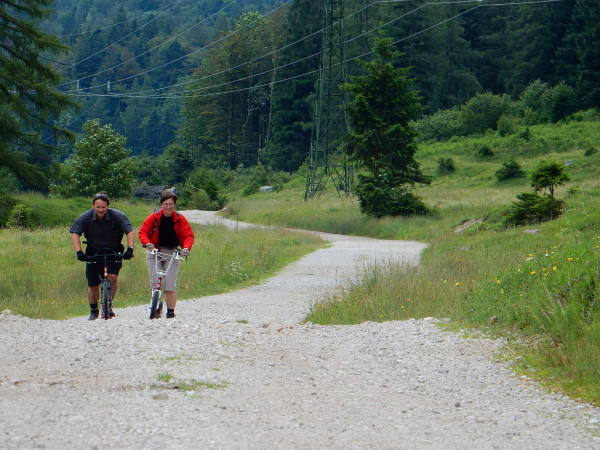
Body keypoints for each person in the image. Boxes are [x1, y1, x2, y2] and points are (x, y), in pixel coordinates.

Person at [70, 192, 135, 320]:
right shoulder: (86, 217)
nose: (100, 210)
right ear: (93, 206)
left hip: (113, 250)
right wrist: (79, 252)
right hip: (94, 251)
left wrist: (130, 248)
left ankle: (108, 304)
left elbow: (130, 232)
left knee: (113, 277)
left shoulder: (118, 216)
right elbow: (75, 233)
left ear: (107, 206)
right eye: (98, 207)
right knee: (93, 284)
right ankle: (93, 310)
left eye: (103, 207)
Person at [138, 190, 195, 319]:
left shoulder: (180, 218)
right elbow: (143, 232)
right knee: (155, 281)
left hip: (172, 252)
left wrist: (186, 248)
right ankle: (155, 307)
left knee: (169, 284)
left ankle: (170, 312)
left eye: (170, 204)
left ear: (174, 204)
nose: (168, 207)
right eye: (165, 204)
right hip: (155, 251)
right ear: (161, 205)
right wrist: (147, 243)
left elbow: (188, 235)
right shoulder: (154, 217)